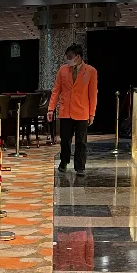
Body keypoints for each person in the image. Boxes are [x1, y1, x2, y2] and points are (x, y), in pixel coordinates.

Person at [47, 43, 97, 175]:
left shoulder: (91, 71)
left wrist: (92, 114)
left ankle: (80, 167)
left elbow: (92, 94)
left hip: (82, 111)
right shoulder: (63, 70)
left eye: (70, 57)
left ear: (78, 57)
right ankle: (63, 162)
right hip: (65, 111)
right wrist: (51, 109)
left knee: (81, 142)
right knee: (65, 140)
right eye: (67, 56)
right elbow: (56, 90)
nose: (67, 59)